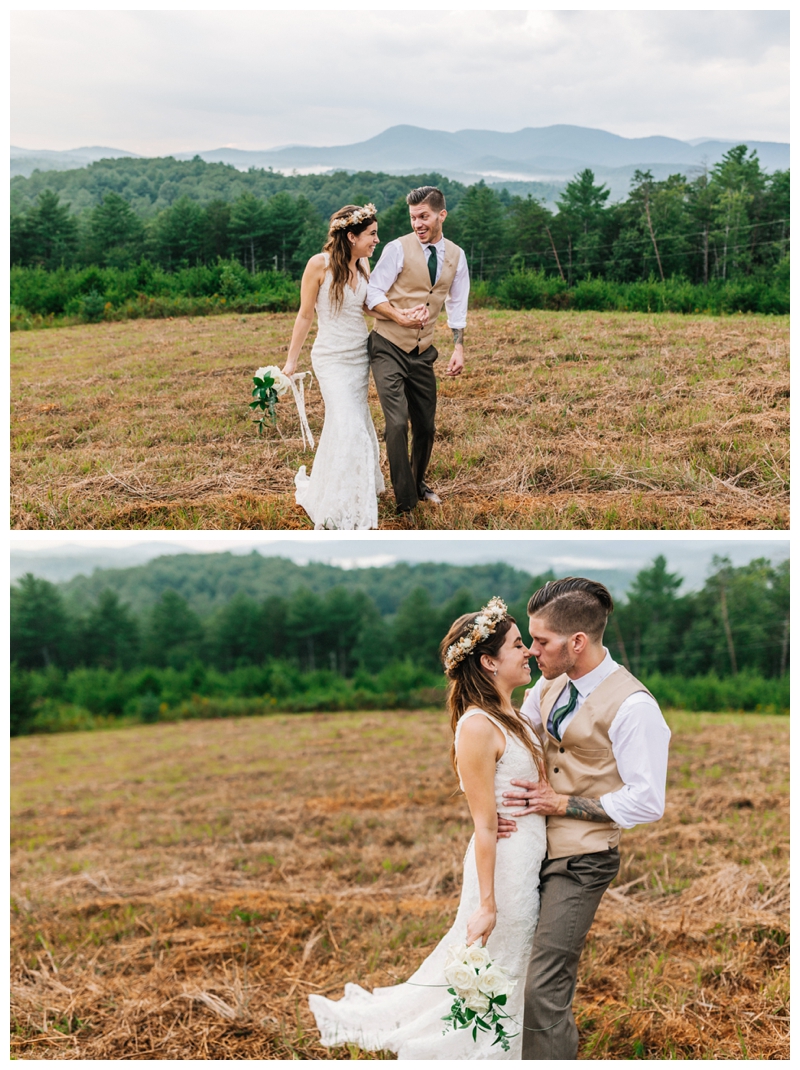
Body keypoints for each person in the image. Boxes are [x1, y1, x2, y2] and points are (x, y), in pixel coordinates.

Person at [309, 597, 548, 1059]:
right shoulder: (477, 727)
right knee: (499, 967)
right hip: (503, 867)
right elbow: (483, 825)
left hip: (529, 859)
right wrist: (488, 902)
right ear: (489, 661)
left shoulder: (516, 715)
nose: (529, 653)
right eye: (519, 645)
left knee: (515, 966)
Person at [499, 577, 671, 1060]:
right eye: (530, 640)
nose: (532, 652)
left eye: (541, 641)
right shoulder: (550, 685)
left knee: (543, 988)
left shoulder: (635, 707)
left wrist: (562, 804)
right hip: (534, 846)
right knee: (516, 973)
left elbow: (647, 801)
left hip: (584, 857)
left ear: (577, 642)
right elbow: (523, 741)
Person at [283, 204, 426, 529]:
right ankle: (341, 505)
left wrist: (402, 316)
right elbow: (305, 315)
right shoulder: (317, 266)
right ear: (351, 236)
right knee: (351, 428)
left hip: (358, 357)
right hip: (331, 358)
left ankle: (344, 487)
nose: (377, 240)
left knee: (346, 423)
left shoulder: (362, 264)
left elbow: (368, 305)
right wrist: (292, 360)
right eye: (372, 234)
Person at [366, 186, 469, 514]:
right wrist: (400, 316)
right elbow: (372, 293)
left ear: (442, 215)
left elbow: (457, 303)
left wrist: (459, 347)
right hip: (387, 346)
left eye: (423, 216)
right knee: (397, 423)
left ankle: (417, 480)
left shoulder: (456, 255)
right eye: (413, 218)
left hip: (423, 351)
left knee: (425, 426)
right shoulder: (397, 249)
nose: (417, 224)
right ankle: (405, 502)